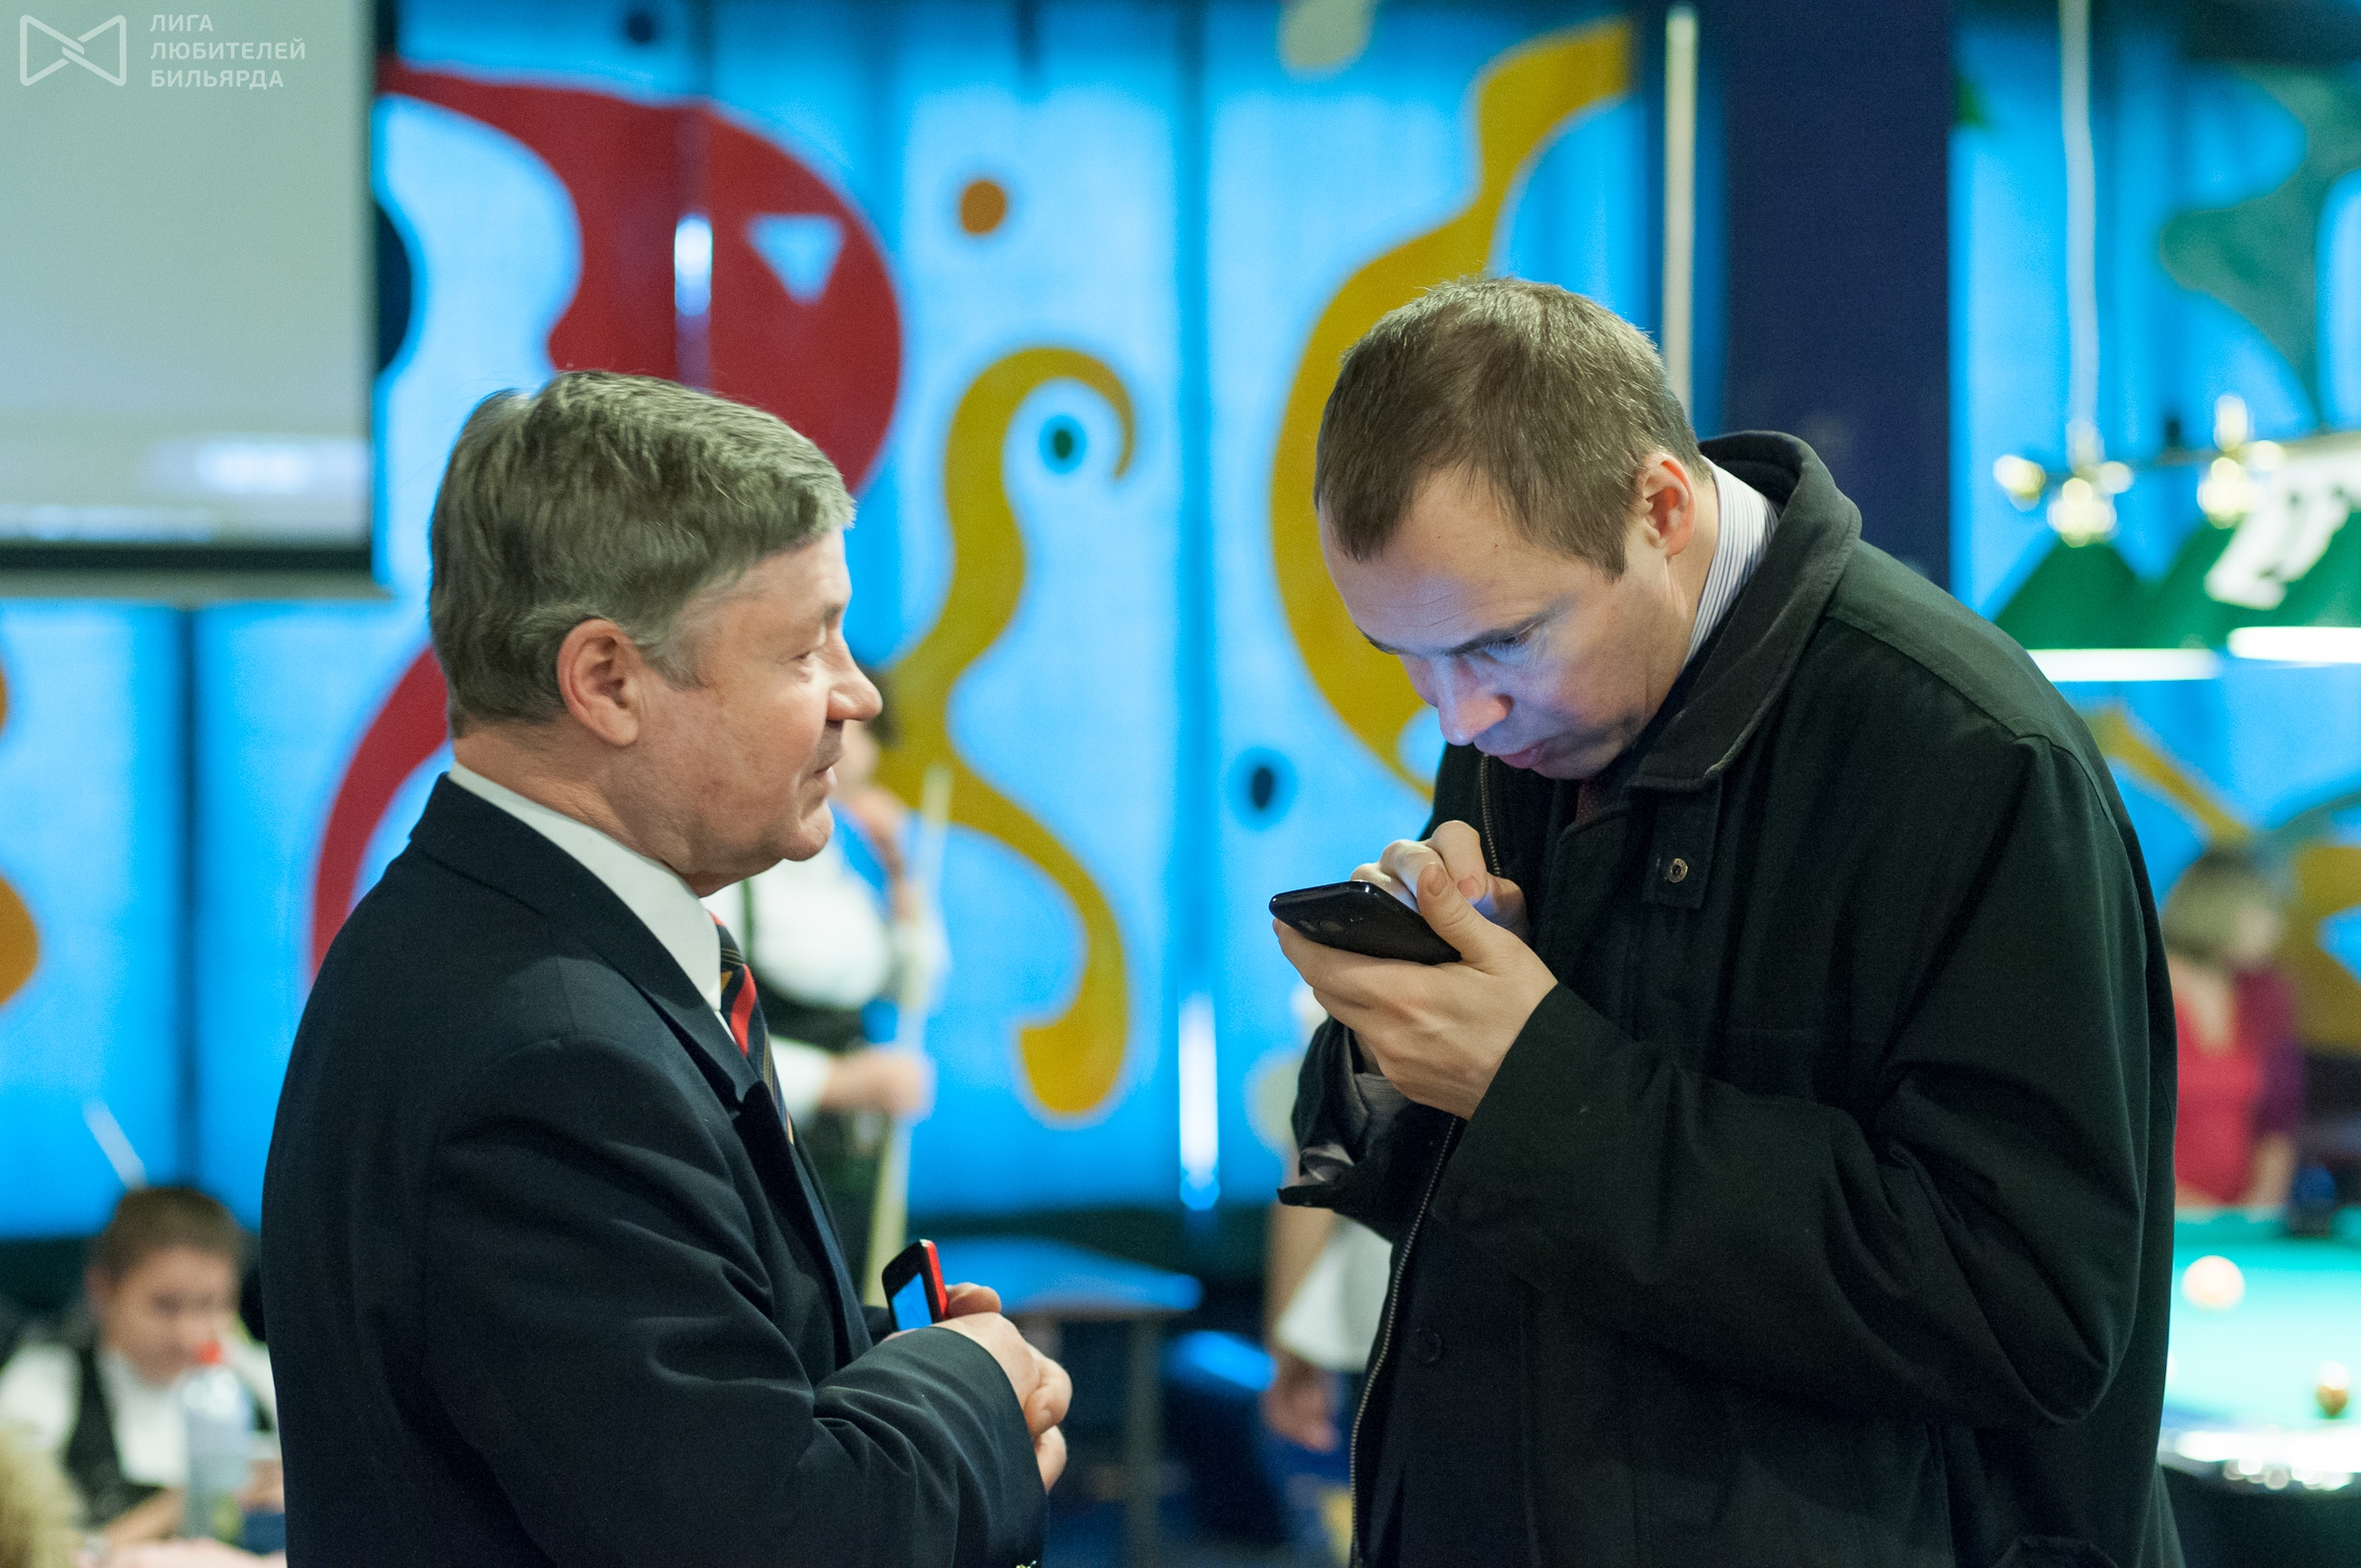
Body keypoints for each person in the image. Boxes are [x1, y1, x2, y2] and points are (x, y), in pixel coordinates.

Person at [1275, 278, 2179, 1565]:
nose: (1458, 716)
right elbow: (1448, 1190)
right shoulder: (1522, 714)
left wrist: (1534, 1081)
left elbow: (2030, 1307)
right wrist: (1396, 1038)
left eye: (1500, 645)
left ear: (1659, 508)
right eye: (1407, 658)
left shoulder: (1971, 755)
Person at [262, 372, 1066, 1567]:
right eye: (806, 646)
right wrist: (970, 1387)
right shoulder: (549, 1056)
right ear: (607, 680)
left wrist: (888, 1372)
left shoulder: (489, 938)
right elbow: (764, 1537)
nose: (858, 693)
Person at [703, 680, 941, 1278]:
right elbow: (703, 1035)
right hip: (769, 1156)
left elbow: (915, 985)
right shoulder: (731, 871)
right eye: (846, 723)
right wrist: (841, 1082)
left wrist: (901, 876)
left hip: (854, 1161)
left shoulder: (849, 868)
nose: (866, 749)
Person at [0, 1188, 277, 1550]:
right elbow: (25, 1552)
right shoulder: (40, 1389)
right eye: (166, 1306)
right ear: (103, 1290)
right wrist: (174, 1509)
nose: (189, 1334)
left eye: (211, 1304)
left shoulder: (263, 1381)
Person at [2162, 848, 2303, 1211]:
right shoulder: (2145, 987)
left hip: (2242, 1221)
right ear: (2217, 907)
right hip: (2158, 1216)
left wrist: (2258, 1211)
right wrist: (2180, 1209)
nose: (2276, 927)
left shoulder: (2264, 993)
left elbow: (2279, 1120)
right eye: (2263, 911)